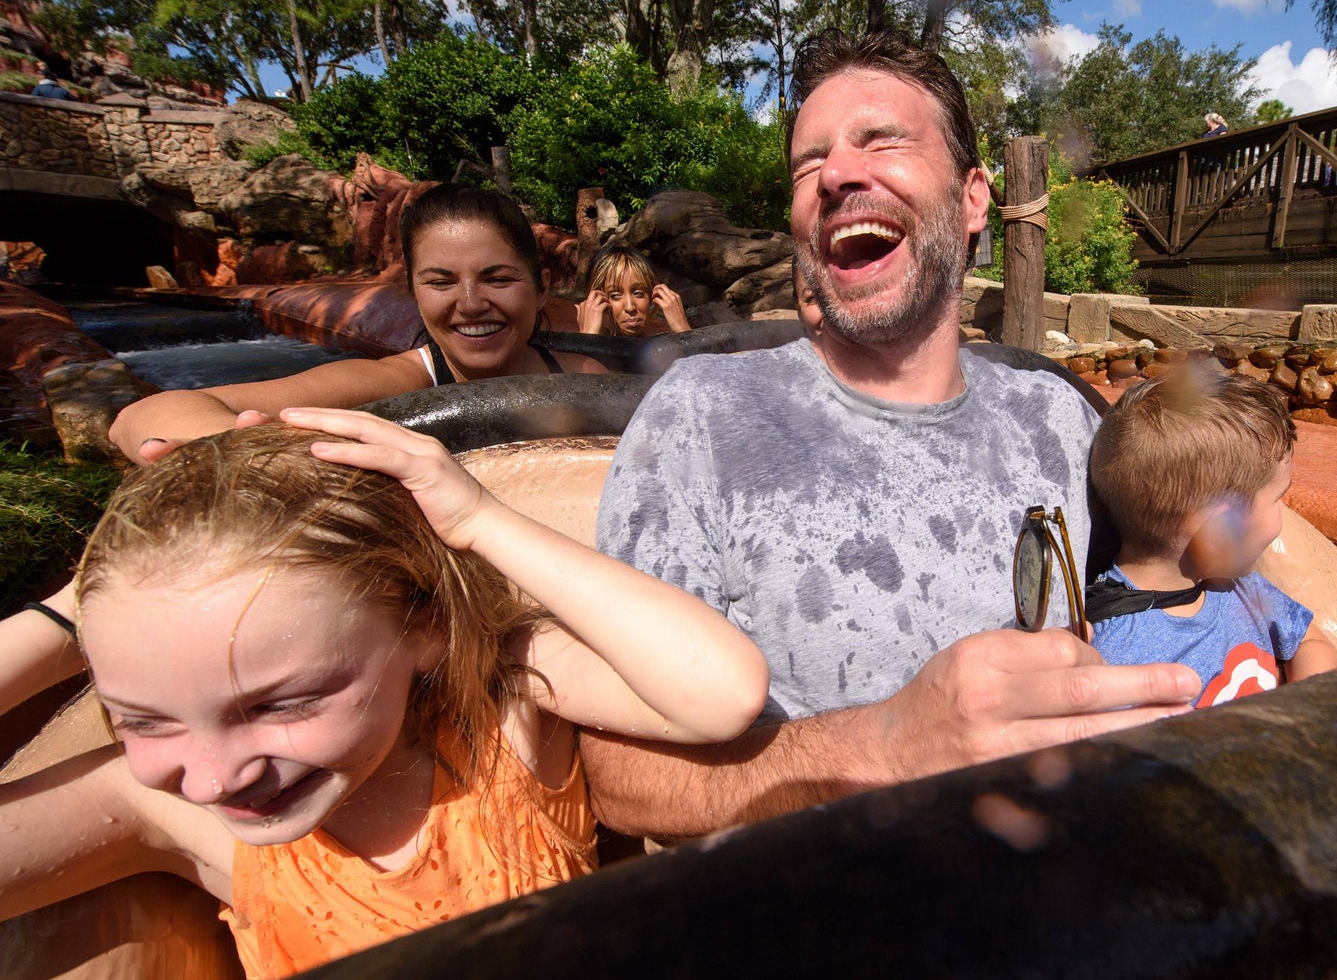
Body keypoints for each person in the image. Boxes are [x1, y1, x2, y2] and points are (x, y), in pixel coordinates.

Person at [579, 28, 1201, 844]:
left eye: (881, 140)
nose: (835, 174)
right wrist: (886, 747)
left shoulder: (1057, 417)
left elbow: (1185, 595)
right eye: (808, 165)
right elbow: (621, 776)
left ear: (973, 199)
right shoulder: (703, 417)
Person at [0, 411, 767, 978]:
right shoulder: (174, 810)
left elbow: (718, 692)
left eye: (281, 705)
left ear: (424, 626)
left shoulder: (501, 709)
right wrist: (90, 598)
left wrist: (478, 517)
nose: (212, 778)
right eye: (144, 721)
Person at [108, 184, 608, 466]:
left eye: (497, 278)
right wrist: (249, 455)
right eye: (440, 282)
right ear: (413, 292)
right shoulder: (395, 381)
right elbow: (142, 415)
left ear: (542, 287)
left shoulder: (584, 376)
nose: (471, 303)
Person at [1085, 369, 1337, 707]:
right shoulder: (1114, 656)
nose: (1284, 510)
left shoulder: (1240, 588)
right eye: (1278, 498)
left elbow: (1309, 643)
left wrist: (1308, 712)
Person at [574, 243, 692, 337]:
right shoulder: (570, 353)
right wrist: (588, 338)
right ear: (594, 300)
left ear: (652, 296)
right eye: (615, 295)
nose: (630, 308)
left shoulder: (664, 349)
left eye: (638, 293)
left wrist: (682, 329)